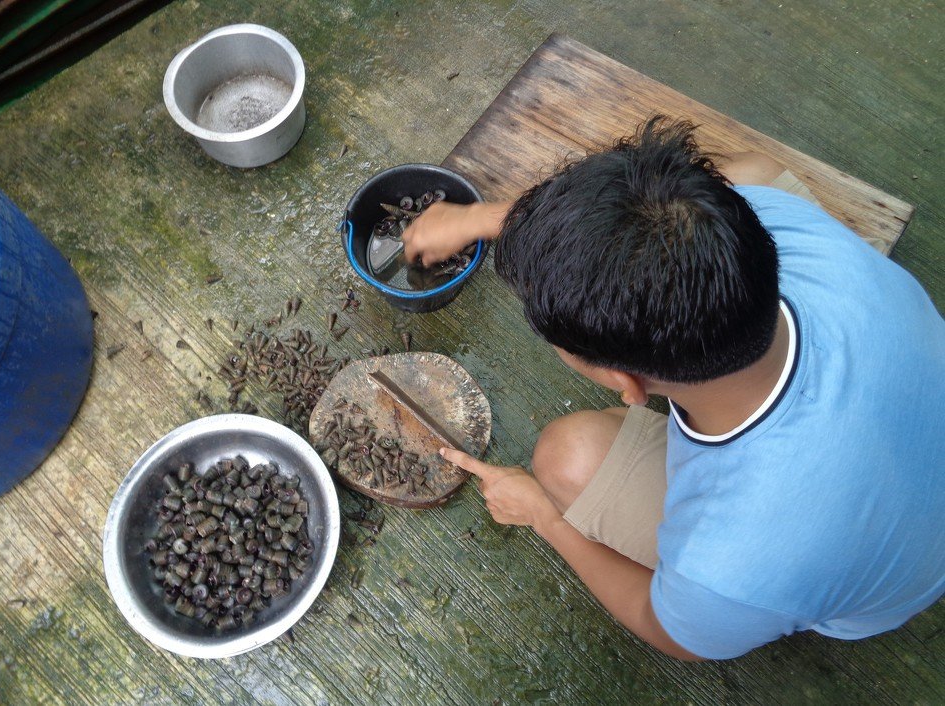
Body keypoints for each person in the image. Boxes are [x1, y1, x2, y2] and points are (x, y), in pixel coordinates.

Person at [402, 117, 945, 661]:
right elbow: (727, 188)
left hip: (866, 578)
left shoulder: (728, 562)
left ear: (627, 383)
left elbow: (664, 629)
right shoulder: (782, 224)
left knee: (566, 457)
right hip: (897, 418)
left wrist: (544, 515)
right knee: (753, 169)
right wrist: (480, 218)